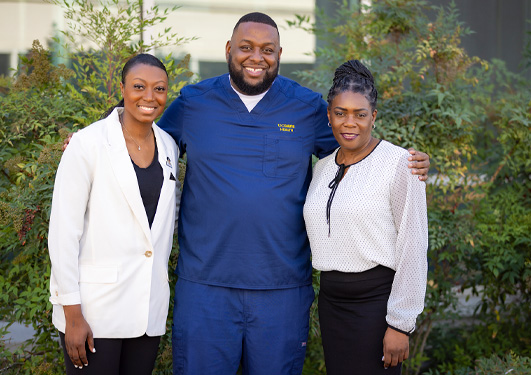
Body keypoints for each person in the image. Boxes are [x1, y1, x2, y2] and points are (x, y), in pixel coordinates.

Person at [157, 12, 430, 375]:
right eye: (246, 47)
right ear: (228, 50)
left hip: (282, 290)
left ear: (280, 54)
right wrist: (93, 141)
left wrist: (410, 164)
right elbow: (143, 142)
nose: (257, 57)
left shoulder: (306, 108)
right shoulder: (193, 104)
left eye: (267, 49)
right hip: (206, 286)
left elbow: (356, 144)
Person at [48, 53, 180, 375]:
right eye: (139, 86)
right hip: (95, 313)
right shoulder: (87, 144)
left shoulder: (168, 146)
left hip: (146, 312)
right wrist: (72, 316)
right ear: (122, 89)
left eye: (159, 89)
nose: (149, 97)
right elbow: (63, 233)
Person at [303, 60, 428, 374]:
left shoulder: (401, 163)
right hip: (331, 302)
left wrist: (401, 324)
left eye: (360, 114)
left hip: (376, 304)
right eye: (340, 113)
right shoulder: (322, 167)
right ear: (329, 115)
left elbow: (413, 246)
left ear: (373, 117)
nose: (350, 123)